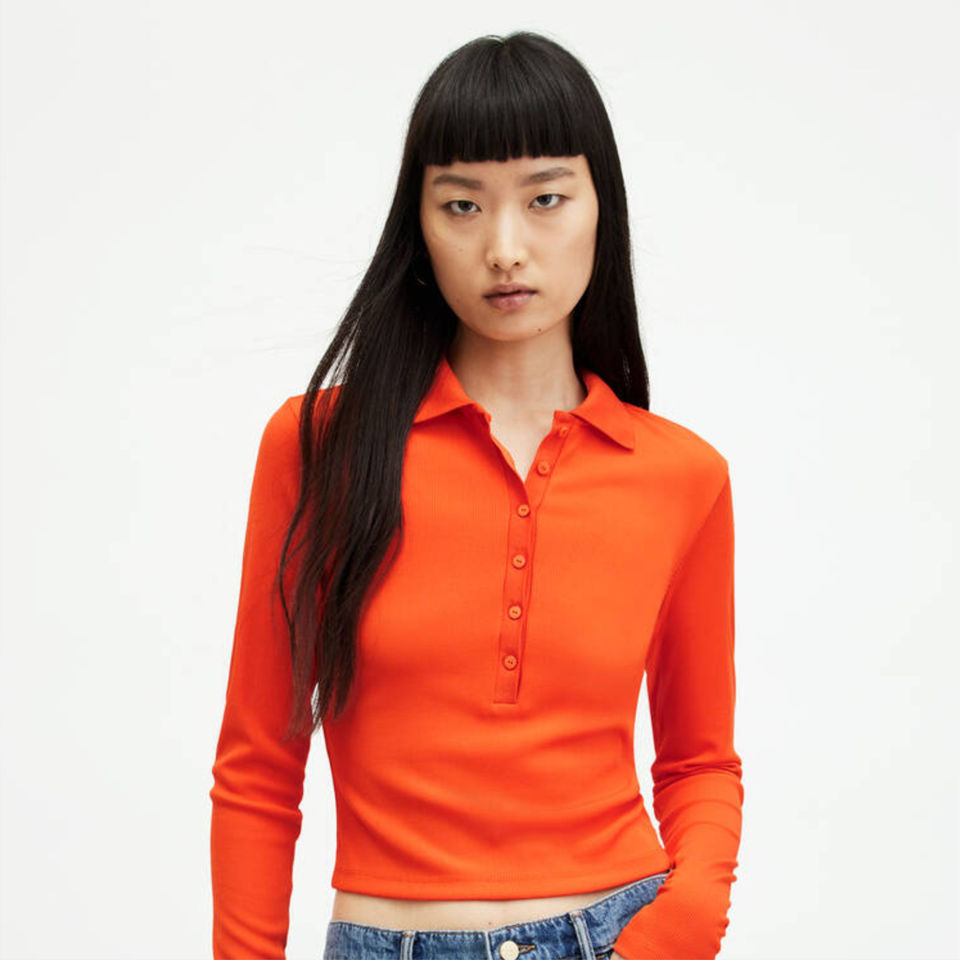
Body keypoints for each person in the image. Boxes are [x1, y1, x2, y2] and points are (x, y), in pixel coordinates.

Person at [209, 30, 744, 960]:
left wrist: (685, 923)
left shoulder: (682, 476)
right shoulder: (320, 446)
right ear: (418, 225)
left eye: (545, 199)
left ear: (601, 209)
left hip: (617, 932)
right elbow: (259, 770)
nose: (505, 248)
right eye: (462, 204)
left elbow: (699, 762)